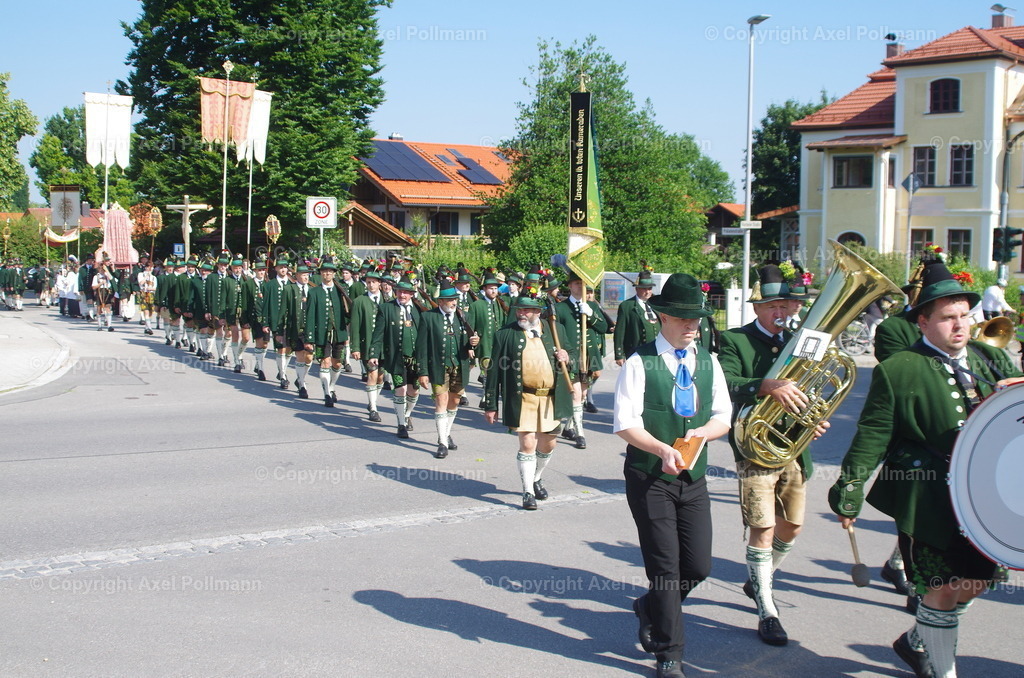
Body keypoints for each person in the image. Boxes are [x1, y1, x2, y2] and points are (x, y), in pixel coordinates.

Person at [829, 260, 1023, 678]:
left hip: (984, 495)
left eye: (965, 316)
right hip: (926, 494)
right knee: (941, 588)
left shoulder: (992, 358)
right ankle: (942, 670)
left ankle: (916, 640)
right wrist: (850, 485)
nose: (960, 325)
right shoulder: (899, 369)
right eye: (948, 317)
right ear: (923, 322)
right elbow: (874, 432)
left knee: (975, 583)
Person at [613, 273, 732, 678]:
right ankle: (670, 653)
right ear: (663, 317)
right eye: (684, 318)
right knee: (665, 568)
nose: (692, 325)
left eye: (697, 318)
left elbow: (723, 416)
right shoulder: (640, 362)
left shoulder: (709, 361)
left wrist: (703, 433)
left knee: (698, 566)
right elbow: (626, 423)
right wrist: (661, 449)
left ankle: (650, 606)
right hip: (650, 477)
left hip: (693, 478)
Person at [717, 264, 830, 646]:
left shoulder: (800, 340)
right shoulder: (736, 339)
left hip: (793, 447)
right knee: (762, 527)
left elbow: (812, 389)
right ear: (757, 308)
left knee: (792, 526)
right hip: (754, 447)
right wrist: (765, 386)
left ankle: (759, 578)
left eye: (786, 306)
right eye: (773, 307)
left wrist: (814, 419)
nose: (781, 312)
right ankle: (767, 608)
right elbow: (727, 382)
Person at [482, 291, 573, 510]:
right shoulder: (505, 334)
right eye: (519, 309)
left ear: (538, 312)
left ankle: (536, 477)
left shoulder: (556, 330)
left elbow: (573, 357)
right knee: (527, 443)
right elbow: (493, 372)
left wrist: (567, 357)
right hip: (523, 398)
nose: (521, 313)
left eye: (526, 310)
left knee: (549, 444)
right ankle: (527, 491)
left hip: (551, 398)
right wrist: (491, 405)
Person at [415, 281, 480, 458]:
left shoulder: (464, 316)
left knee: (455, 401)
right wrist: (422, 372)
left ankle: (446, 432)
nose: (454, 302)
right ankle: (442, 442)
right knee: (441, 400)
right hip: (438, 366)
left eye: (455, 299)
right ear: (441, 301)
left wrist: (473, 343)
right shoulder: (428, 317)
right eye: (450, 300)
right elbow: (421, 347)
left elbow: (469, 342)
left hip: (460, 365)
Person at [555, 270, 608, 449]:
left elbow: (604, 328)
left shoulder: (591, 306)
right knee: (576, 394)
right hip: (572, 357)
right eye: (577, 283)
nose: (580, 286)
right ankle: (580, 433)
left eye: (583, 283)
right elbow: (556, 334)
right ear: (570, 286)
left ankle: (568, 428)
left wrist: (591, 314)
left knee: (583, 395)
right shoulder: (561, 308)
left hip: (589, 356)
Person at [368, 275, 424, 438]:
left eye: (406, 292)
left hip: (416, 358)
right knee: (401, 389)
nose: (402, 295)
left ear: (411, 294)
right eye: (399, 291)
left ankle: (407, 415)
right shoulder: (386, 308)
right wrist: (374, 353)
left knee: (414, 391)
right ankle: (401, 424)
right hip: (396, 357)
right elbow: (378, 333)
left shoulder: (420, 309)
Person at [304, 257, 350, 408]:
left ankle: (331, 386)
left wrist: (347, 328)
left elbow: (348, 312)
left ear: (334, 273)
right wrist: (309, 338)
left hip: (339, 333)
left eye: (330, 271)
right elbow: (310, 316)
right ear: (320, 273)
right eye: (324, 271)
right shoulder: (314, 292)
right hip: (322, 334)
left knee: (337, 363)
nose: (327, 274)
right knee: (325, 362)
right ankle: (326, 394)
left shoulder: (340, 291)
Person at [349, 267, 385, 421]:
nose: (371, 285)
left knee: (381, 377)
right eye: (368, 282)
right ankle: (373, 408)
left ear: (379, 283)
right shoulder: (359, 301)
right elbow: (355, 326)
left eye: (374, 282)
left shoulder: (387, 301)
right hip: (368, 345)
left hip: (384, 346)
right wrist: (355, 348)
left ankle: (372, 401)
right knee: (372, 374)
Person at [613, 269, 661, 367]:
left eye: (649, 288)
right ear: (637, 289)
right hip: (636, 352)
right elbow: (620, 332)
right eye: (644, 289)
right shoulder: (627, 306)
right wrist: (619, 354)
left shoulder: (657, 304)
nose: (647, 292)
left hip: (657, 351)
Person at [91, 257, 116, 331]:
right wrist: (101, 283)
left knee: (108, 308)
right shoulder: (96, 277)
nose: (102, 270)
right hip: (100, 292)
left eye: (103, 269)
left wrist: (107, 274)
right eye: (101, 269)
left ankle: (109, 326)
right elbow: (94, 287)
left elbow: (112, 280)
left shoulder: (107, 275)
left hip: (107, 292)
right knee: (99, 309)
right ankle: (99, 326)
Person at [137, 259, 158, 335]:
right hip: (143, 294)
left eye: (151, 267)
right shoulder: (141, 274)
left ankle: (147, 327)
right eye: (148, 266)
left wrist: (151, 288)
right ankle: (149, 328)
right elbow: (140, 283)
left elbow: (155, 288)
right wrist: (146, 276)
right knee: (146, 311)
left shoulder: (154, 277)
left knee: (150, 312)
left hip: (151, 294)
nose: (150, 268)